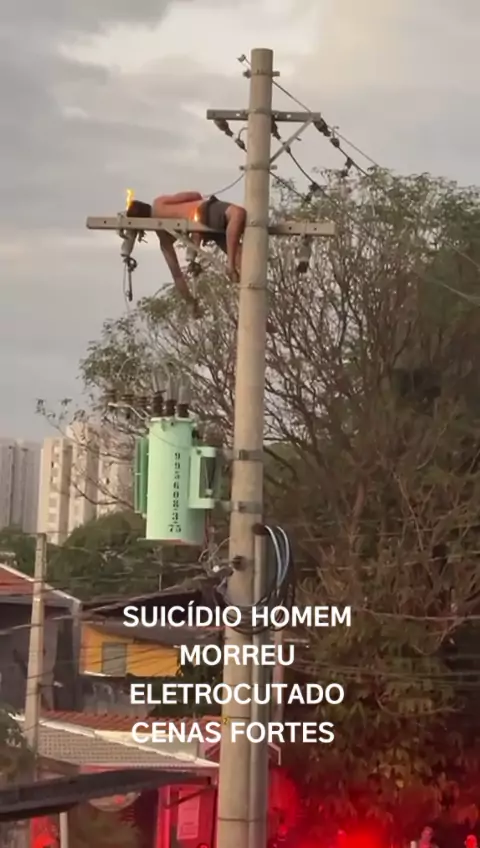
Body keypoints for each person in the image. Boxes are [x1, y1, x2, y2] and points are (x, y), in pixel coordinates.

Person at [126, 192, 246, 310]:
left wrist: (190, 302)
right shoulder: (158, 203)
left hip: (205, 228)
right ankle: (231, 265)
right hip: (205, 212)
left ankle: (243, 278)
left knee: (246, 263)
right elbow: (195, 195)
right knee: (237, 213)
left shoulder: (164, 240)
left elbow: (177, 276)